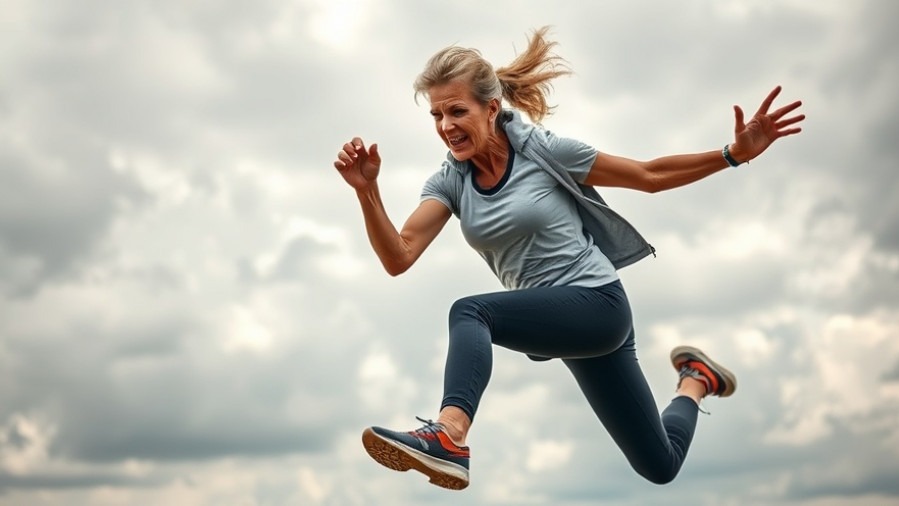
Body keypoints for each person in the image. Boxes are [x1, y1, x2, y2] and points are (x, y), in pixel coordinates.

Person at [332, 27, 804, 491]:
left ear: (491, 109)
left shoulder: (544, 152)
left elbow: (648, 175)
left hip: (598, 304)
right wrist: (367, 192)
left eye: (457, 111)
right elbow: (400, 256)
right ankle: (696, 380)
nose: (446, 126)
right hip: (565, 326)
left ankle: (450, 433)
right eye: (437, 115)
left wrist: (732, 154)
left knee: (470, 312)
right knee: (659, 465)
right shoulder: (450, 182)